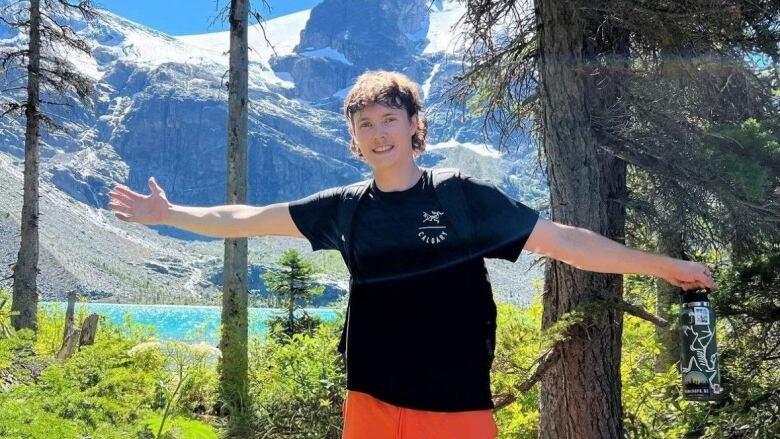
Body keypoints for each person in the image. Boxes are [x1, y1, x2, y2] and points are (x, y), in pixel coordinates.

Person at [108, 71, 715, 439]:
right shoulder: (344, 206)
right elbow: (249, 219)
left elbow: (565, 243)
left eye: (389, 118)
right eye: (365, 122)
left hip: (453, 397)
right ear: (353, 136)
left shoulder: (461, 197)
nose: (378, 132)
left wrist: (665, 267)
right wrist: (171, 215)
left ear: (414, 124)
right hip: (369, 393)